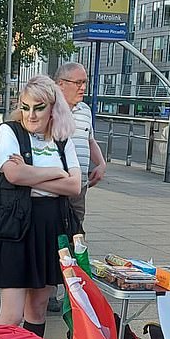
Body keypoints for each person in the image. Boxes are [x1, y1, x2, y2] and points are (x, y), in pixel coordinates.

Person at [0, 75, 81, 337]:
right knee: (10, 316)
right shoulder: (9, 131)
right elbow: (14, 176)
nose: (31, 115)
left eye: (39, 108)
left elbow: (74, 187)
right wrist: (57, 173)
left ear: (52, 109)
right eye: (25, 107)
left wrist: (32, 173)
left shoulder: (62, 138)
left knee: (37, 309)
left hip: (50, 227)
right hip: (16, 227)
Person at [54, 61, 107, 228]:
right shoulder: (48, 109)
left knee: (76, 233)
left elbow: (89, 140)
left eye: (85, 82)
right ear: (60, 84)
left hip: (79, 187)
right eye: (78, 83)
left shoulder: (85, 110)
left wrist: (101, 163)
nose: (83, 87)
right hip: (56, 185)